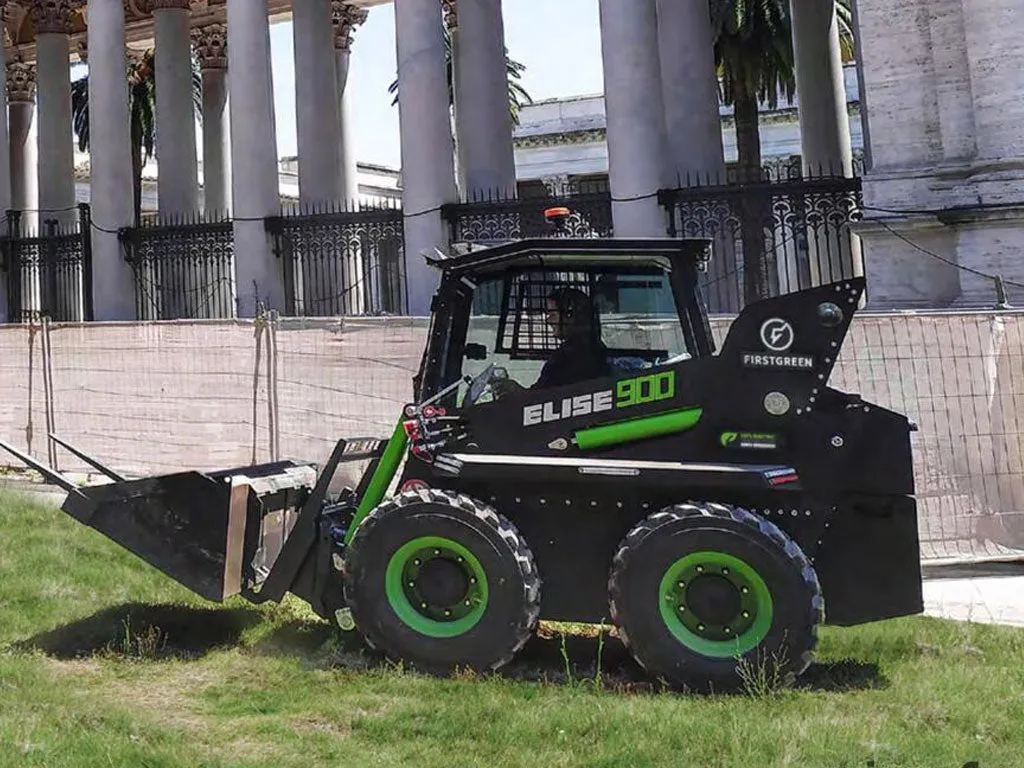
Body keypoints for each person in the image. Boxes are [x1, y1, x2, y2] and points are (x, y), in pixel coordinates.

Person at [493, 286, 611, 396]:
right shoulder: (592, 347)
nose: (548, 321)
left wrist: (516, 391)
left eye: (553, 314)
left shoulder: (570, 356)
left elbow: (540, 399)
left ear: (570, 315)